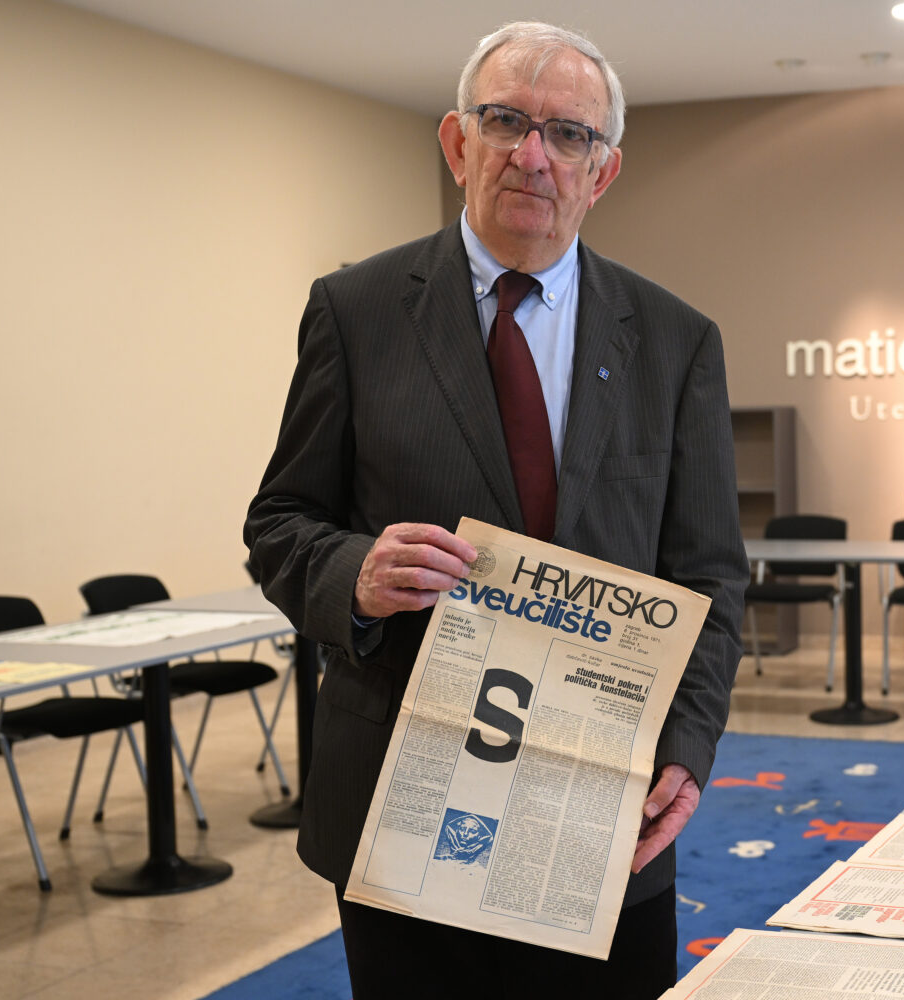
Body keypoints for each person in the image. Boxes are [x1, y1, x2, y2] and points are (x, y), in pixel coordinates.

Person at [243, 20, 746, 998]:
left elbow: (710, 574)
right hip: (404, 798)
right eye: (507, 120)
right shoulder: (356, 310)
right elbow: (281, 521)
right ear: (457, 141)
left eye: (569, 134)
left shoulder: (676, 340)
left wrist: (688, 745)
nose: (533, 154)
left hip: (602, 800)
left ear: (602, 171)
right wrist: (356, 574)